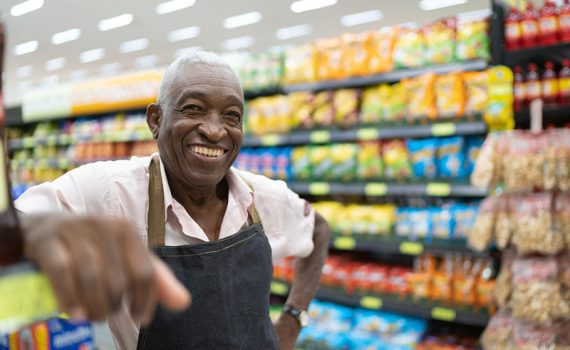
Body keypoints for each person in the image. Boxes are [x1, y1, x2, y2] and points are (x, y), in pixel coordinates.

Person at [15, 51, 330, 350]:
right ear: (155, 120)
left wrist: (292, 320)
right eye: (193, 108)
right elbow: (14, 229)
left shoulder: (262, 198)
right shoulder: (110, 193)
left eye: (231, 115)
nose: (214, 130)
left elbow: (317, 228)